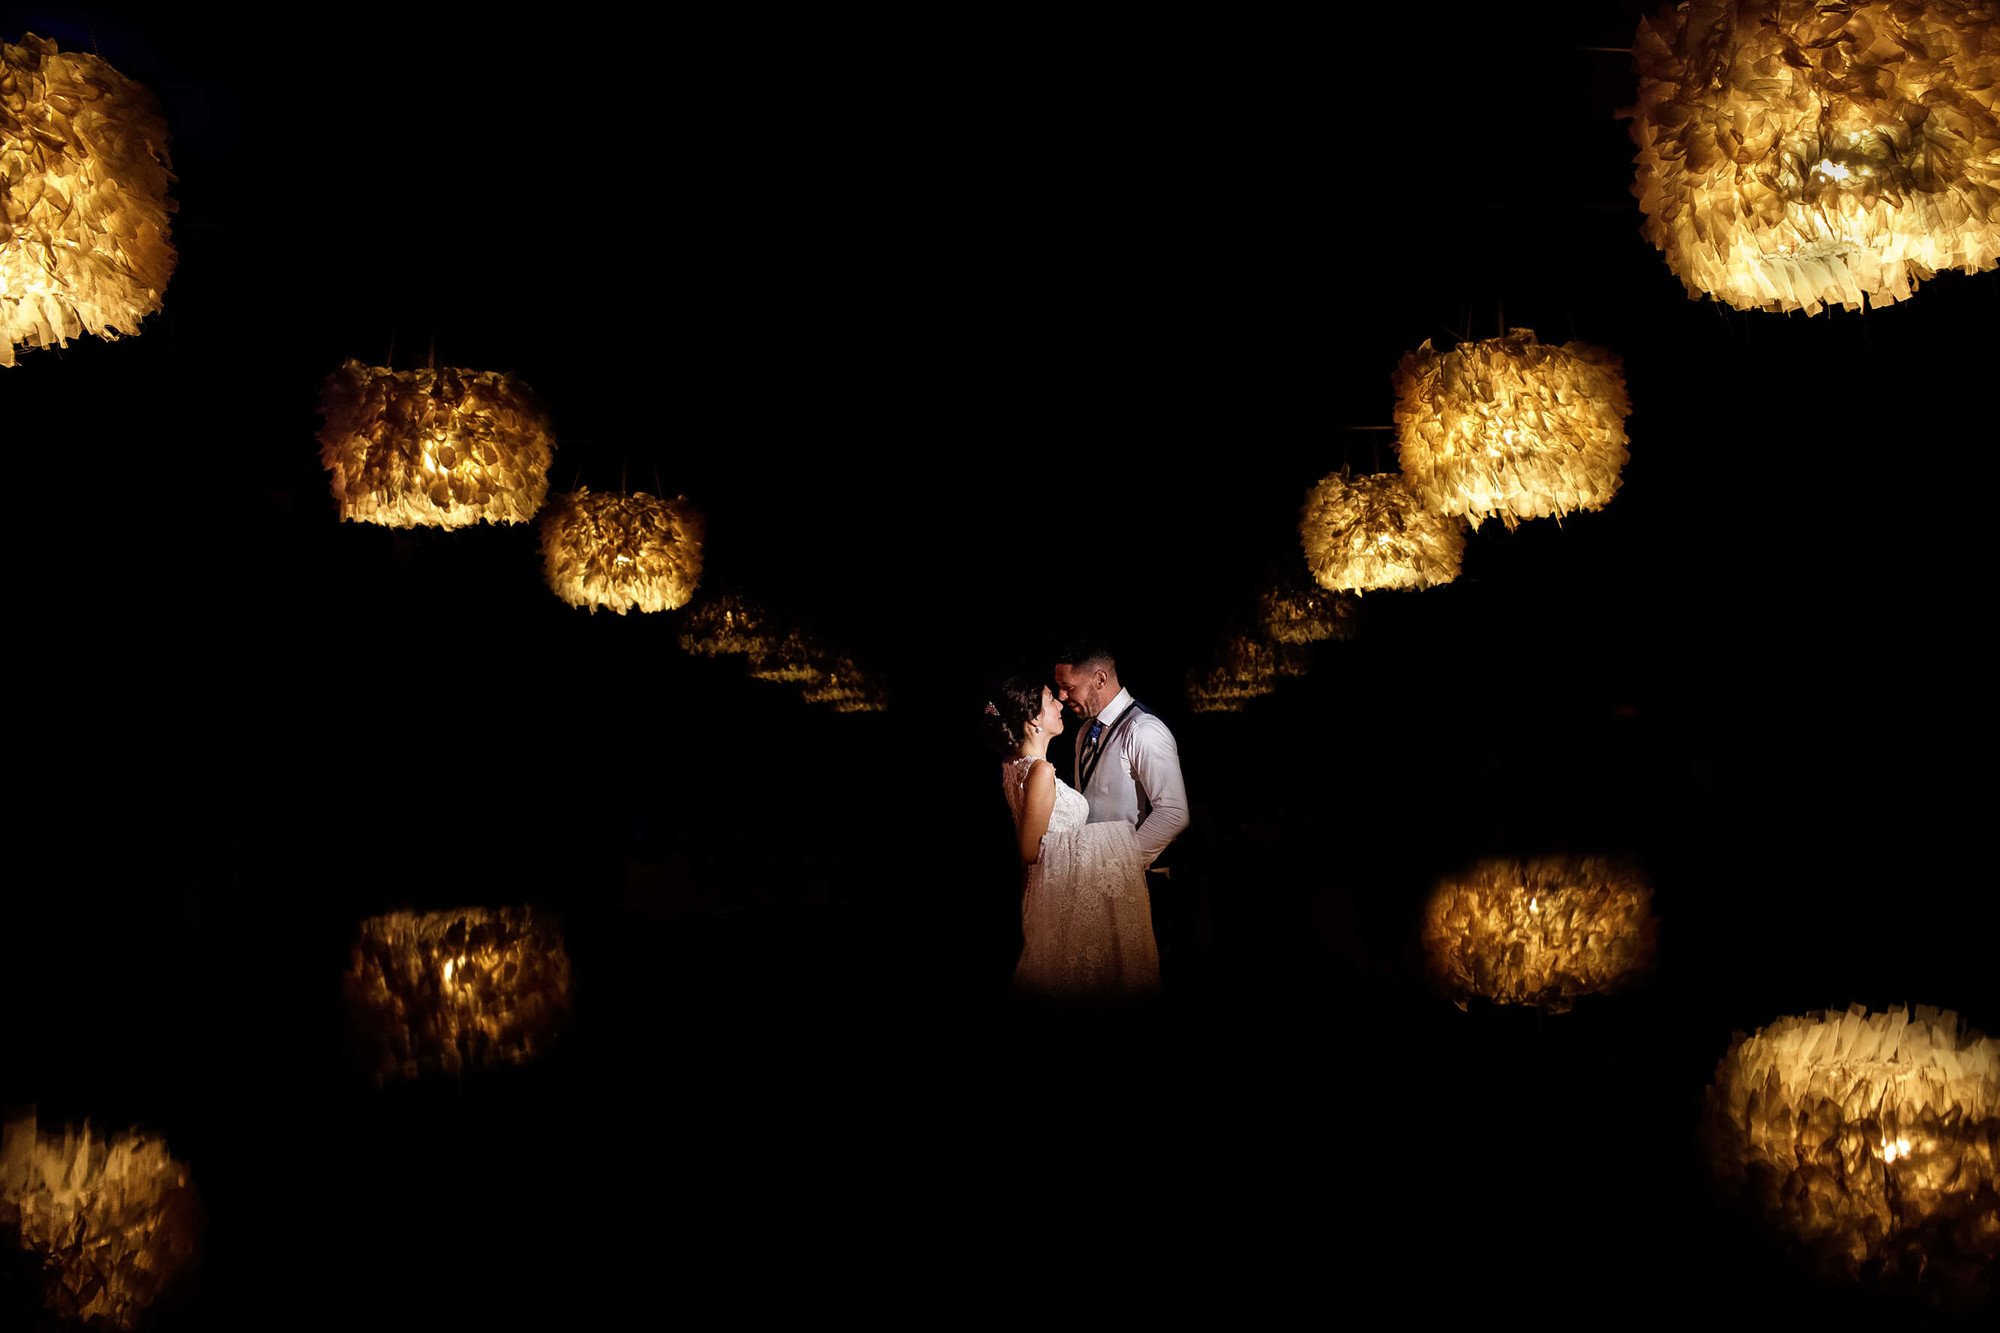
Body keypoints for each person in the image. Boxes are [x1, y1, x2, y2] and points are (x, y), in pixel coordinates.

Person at [985, 676, 1160, 1001]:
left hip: (1048, 896)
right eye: (1051, 698)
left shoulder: (1013, 766)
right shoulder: (1040, 771)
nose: (1060, 703)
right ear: (1034, 718)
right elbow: (1029, 849)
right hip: (1060, 900)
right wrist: (1115, 841)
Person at [1052, 642, 1191, 984]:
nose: (1060, 695)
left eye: (1068, 686)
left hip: (1142, 883)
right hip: (1101, 883)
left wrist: (1118, 866)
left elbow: (1174, 813)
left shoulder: (1144, 730)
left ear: (1099, 679)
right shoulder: (1085, 730)